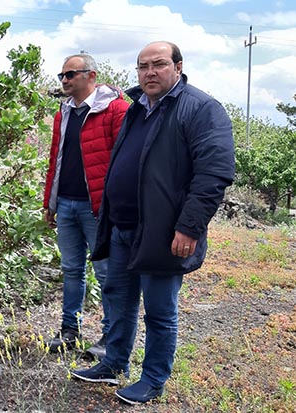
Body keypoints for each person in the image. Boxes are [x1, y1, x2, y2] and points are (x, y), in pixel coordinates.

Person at [70, 41, 235, 405]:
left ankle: (153, 379)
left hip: (163, 232)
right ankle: (113, 363)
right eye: (142, 66)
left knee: (159, 311)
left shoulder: (201, 109)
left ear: (178, 66)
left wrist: (190, 227)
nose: (149, 72)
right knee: (119, 299)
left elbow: (215, 173)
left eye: (158, 64)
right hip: (122, 228)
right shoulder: (137, 109)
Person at [42, 54, 128, 357]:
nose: (64, 80)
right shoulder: (62, 113)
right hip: (65, 204)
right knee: (71, 270)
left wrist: (116, 207)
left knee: (107, 273)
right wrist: (49, 202)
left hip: (98, 209)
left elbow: (125, 161)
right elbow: (57, 159)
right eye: (62, 75)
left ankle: (110, 338)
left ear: (90, 75)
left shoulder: (116, 109)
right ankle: (69, 331)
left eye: (70, 75)